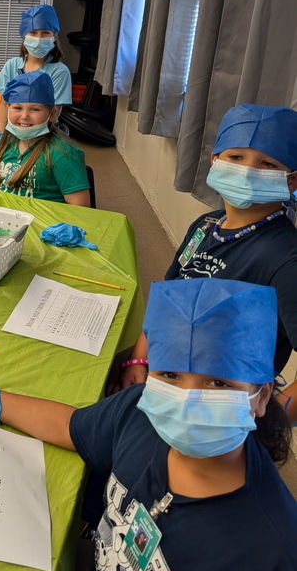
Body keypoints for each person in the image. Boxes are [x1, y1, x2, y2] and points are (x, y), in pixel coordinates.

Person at [0, 279, 296, 571]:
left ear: (261, 396)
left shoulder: (273, 554)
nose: (187, 400)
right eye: (172, 375)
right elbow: (69, 425)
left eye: (218, 383)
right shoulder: (138, 415)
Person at [121, 104, 297, 423]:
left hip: (219, 410)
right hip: (170, 381)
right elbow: (169, 300)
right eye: (236, 157)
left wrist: (270, 414)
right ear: (214, 160)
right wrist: (139, 359)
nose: (247, 170)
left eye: (267, 163)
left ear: (292, 180)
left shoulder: (285, 258)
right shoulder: (207, 225)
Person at [0, 70, 90, 205]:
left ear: (52, 114)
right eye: (18, 108)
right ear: (7, 109)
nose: (25, 116)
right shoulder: (2, 146)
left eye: (35, 109)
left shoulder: (63, 154)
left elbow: (80, 209)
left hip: (44, 223)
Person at [0, 3, 72, 141]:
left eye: (45, 33)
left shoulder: (59, 72)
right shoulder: (12, 65)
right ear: (24, 36)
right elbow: (4, 105)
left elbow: (54, 113)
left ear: (54, 36)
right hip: (12, 130)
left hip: (42, 134)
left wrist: (27, 139)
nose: (39, 39)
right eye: (33, 33)